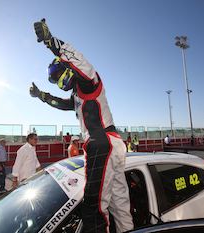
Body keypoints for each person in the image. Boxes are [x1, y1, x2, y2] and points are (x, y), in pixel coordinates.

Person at [30, 19, 133, 233]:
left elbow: (83, 64)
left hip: (101, 144)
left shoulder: (88, 82)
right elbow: (63, 104)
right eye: (55, 80)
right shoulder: (78, 94)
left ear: (67, 69)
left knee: (93, 209)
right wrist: (42, 96)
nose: (59, 82)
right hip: (111, 145)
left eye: (58, 77)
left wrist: (51, 42)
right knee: (119, 205)